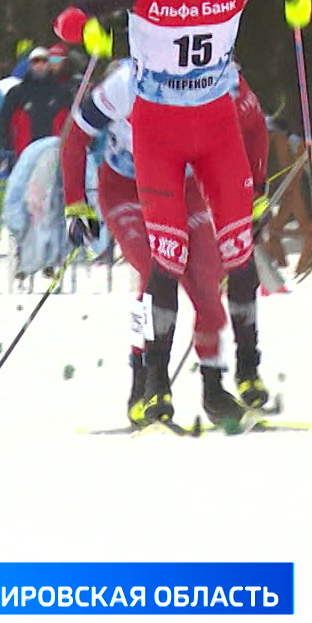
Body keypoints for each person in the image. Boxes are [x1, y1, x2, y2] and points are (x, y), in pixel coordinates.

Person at [53, 0, 312, 427]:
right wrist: (85, 29)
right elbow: (69, 16)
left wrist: (307, 2)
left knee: (237, 250)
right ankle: (154, 385)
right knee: (166, 260)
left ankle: (244, 372)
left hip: (214, 127)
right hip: (157, 134)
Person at [61, 60, 272, 426]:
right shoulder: (126, 83)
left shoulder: (223, 76)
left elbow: (254, 126)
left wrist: (257, 190)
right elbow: (75, 137)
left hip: (185, 188)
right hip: (125, 189)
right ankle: (142, 384)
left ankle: (213, 386)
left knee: (207, 284)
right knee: (154, 273)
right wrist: (75, 203)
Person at [0, 47, 74, 158]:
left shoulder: (62, 92)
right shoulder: (17, 93)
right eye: (35, 62)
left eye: (44, 61)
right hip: (23, 154)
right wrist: (6, 145)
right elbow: (4, 122)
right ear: (30, 64)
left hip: (55, 153)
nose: (40, 66)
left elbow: (71, 120)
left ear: (49, 64)